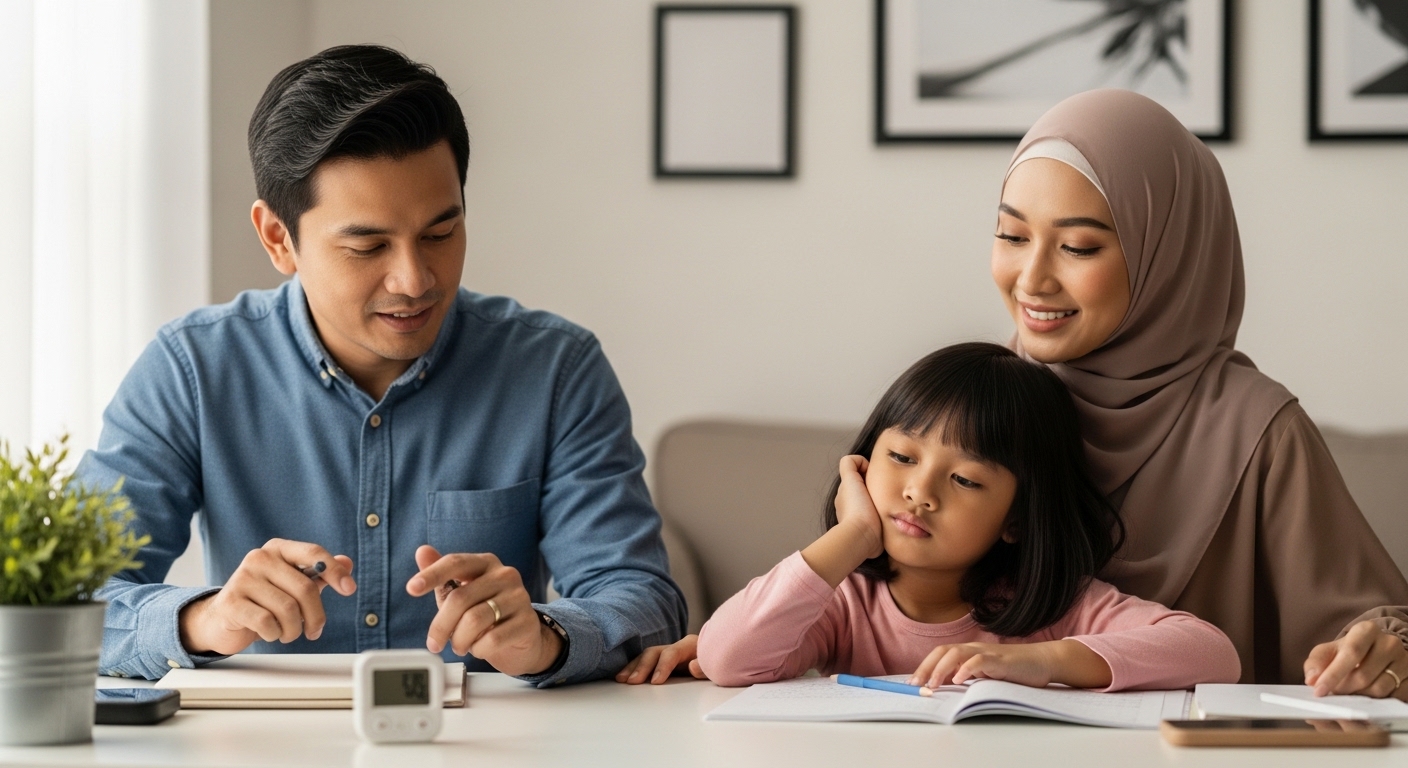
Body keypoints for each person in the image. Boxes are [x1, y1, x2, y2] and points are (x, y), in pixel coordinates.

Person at [81, 44, 685, 685]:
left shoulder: (556, 369)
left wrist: (547, 637)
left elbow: (643, 601)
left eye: (440, 234)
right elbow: (61, 602)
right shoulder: (190, 371)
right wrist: (204, 619)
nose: (415, 279)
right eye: (368, 245)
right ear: (278, 239)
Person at [988, 89, 1408, 698]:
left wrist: (1380, 651)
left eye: (1078, 246)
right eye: (1011, 235)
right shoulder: (981, 407)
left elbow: (1370, 626)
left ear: (1170, 253)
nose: (1032, 279)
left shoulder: (1257, 430)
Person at [625, 343, 1240, 690]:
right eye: (901, 457)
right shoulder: (842, 605)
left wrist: (1041, 660)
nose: (920, 492)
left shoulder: (1057, 608)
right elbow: (730, 658)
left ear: (1016, 519)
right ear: (864, 465)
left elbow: (1213, 654)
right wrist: (853, 536)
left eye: (966, 479)